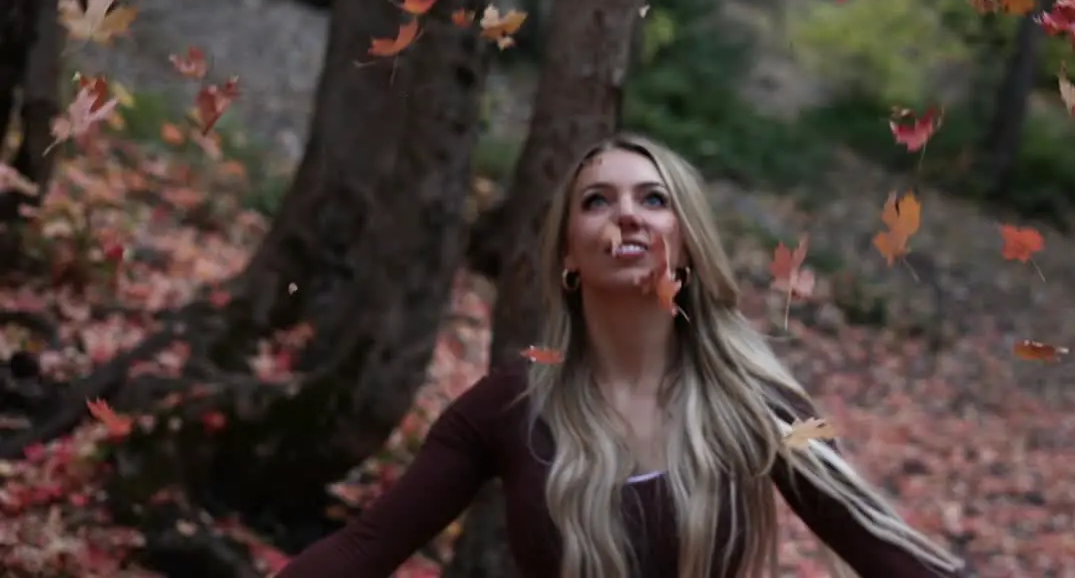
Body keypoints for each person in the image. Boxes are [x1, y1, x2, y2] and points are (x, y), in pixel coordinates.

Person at [276, 133, 964, 578]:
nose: (627, 215)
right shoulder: (509, 407)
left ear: (687, 242)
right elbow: (365, 550)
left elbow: (889, 554)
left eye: (654, 199)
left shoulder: (755, 402)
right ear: (569, 255)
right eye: (597, 201)